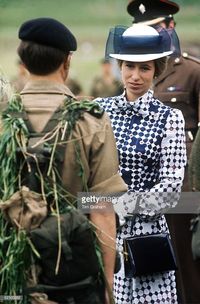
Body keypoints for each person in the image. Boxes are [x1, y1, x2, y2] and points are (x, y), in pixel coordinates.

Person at [0, 17, 127, 303]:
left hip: (13, 269)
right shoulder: (89, 119)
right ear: (66, 63)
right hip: (75, 271)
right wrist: (107, 283)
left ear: (23, 60)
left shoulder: (4, 120)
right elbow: (101, 208)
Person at [96, 23, 186, 304]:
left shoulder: (169, 118)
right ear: (119, 66)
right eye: (128, 67)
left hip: (148, 238)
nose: (135, 76)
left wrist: (121, 208)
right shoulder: (99, 109)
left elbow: (171, 190)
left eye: (145, 68)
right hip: (104, 233)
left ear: (156, 71)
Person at [127, 1, 200, 303]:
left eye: (156, 28)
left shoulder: (192, 73)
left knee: (184, 265)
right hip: (140, 188)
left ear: (170, 27)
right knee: (145, 264)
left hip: (183, 189)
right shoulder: (133, 74)